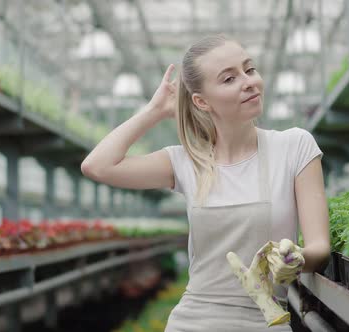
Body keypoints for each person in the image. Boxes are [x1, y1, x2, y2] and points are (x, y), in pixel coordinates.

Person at [81, 34, 330, 331]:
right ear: (201, 101)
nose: (248, 81)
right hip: (193, 321)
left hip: (266, 320)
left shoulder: (295, 146)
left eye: (249, 70)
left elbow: (320, 248)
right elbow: (97, 166)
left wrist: (298, 259)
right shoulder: (187, 161)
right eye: (229, 79)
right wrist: (155, 111)